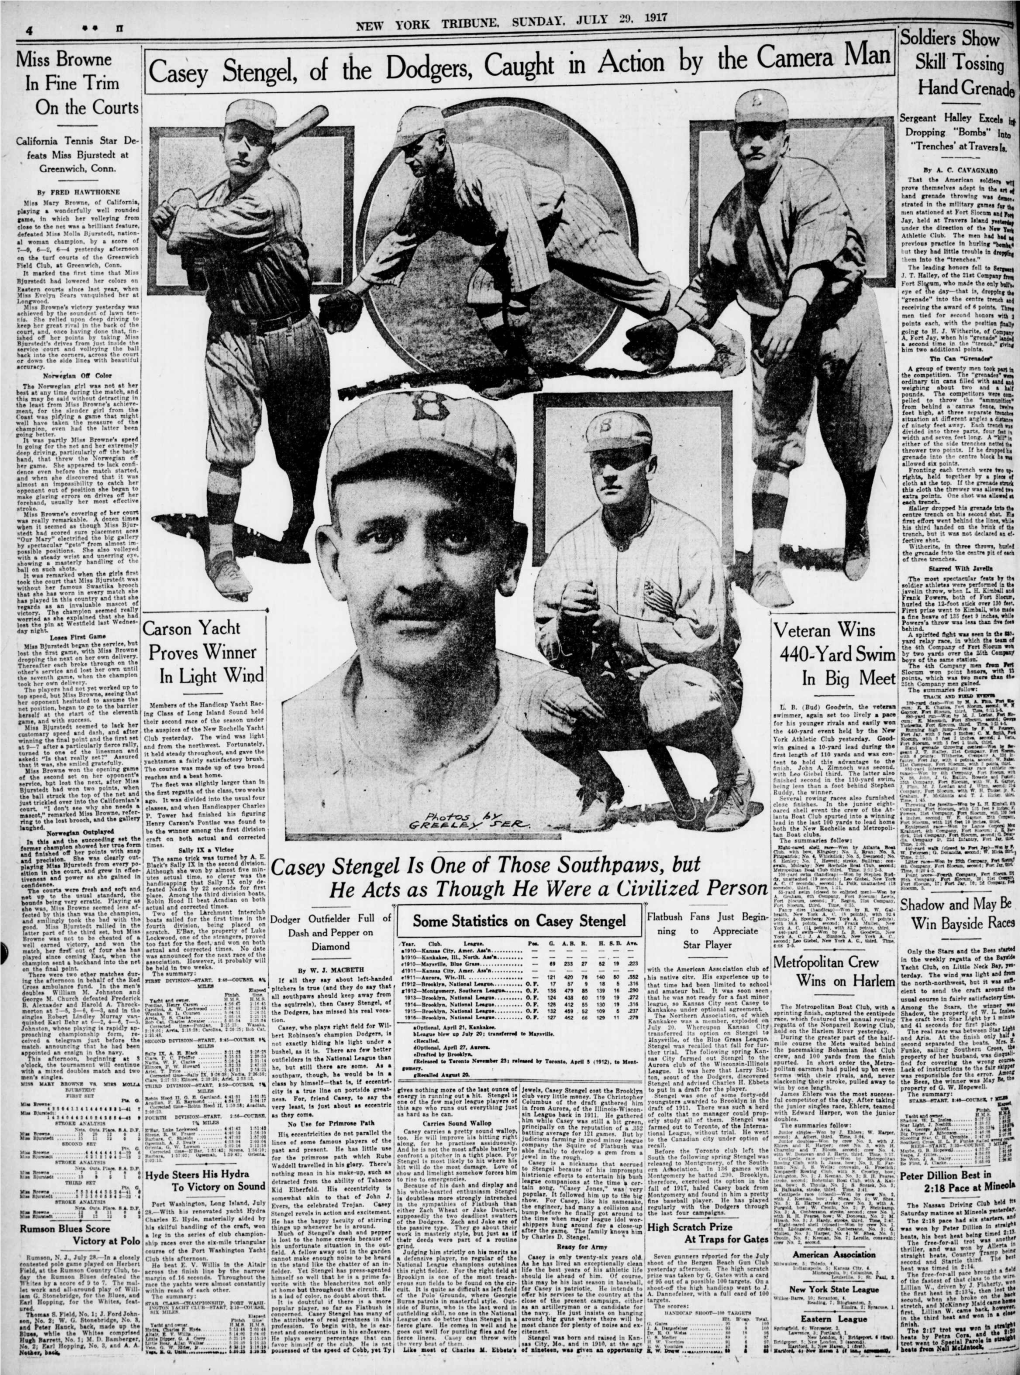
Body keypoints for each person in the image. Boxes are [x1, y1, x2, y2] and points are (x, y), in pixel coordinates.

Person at [282, 389, 620, 837]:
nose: (419, 576)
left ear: (510, 560)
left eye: (457, 535)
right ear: (333, 564)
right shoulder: (275, 744)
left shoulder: (568, 718)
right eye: (381, 535)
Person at [627, 88, 893, 609]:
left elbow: (813, 265)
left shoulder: (811, 182)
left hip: (842, 317)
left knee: (859, 441)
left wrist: (795, 311)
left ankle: (856, 524)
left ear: (784, 139)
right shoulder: (730, 213)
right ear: (732, 139)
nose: (755, 142)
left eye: (766, 132)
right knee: (772, 447)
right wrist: (671, 326)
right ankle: (766, 565)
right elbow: (711, 285)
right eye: (746, 133)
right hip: (779, 328)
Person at [317, 105, 744, 400]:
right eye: (403, 150)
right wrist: (355, 291)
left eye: (414, 148)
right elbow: (402, 237)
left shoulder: (490, 171)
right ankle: (524, 373)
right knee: (483, 295)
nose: (407, 157)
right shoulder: (430, 191)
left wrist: (521, 301)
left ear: (440, 142)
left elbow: (519, 232)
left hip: (566, 222)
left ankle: (725, 340)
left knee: (641, 293)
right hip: (518, 237)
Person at [533, 409, 756, 833]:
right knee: (529, 704)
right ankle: (599, 785)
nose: (609, 473)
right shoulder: (571, 546)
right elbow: (544, 639)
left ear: (649, 466)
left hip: (690, 685)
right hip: (612, 692)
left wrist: (620, 626)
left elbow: (705, 639)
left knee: (679, 698)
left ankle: (733, 776)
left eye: (623, 459)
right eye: (600, 462)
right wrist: (565, 626)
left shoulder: (689, 538)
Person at [152, 98, 331, 602]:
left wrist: (180, 211)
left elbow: (184, 234)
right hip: (231, 337)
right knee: (227, 451)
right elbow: (191, 259)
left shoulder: (270, 199)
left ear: (270, 146)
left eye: (255, 139)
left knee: (299, 449)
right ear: (223, 139)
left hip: (291, 334)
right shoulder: (225, 197)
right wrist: (182, 218)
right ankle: (222, 553)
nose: (244, 147)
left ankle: (302, 513)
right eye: (236, 136)